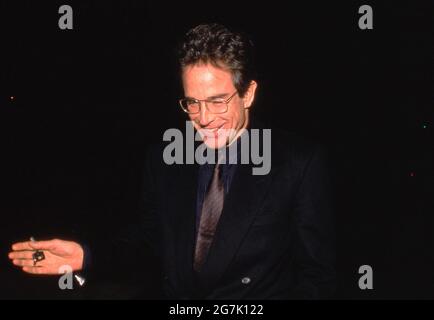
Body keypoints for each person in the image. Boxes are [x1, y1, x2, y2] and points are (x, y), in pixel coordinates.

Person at [8, 23, 336, 299]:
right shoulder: (163, 160)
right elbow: (151, 240)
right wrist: (87, 256)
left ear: (248, 93)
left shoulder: (298, 163)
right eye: (192, 102)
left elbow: (317, 277)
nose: (203, 118)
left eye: (217, 101)